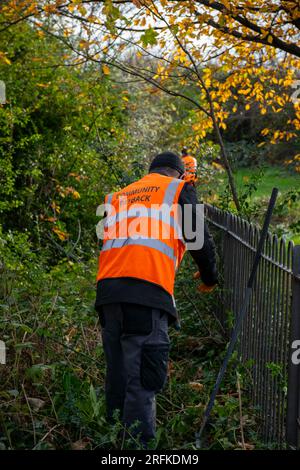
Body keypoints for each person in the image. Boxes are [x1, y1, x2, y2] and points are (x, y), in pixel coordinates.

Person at [95, 151, 218, 447]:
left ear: (150, 171)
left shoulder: (119, 195)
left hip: (108, 293)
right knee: (142, 379)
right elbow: (197, 236)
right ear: (179, 173)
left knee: (119, 374)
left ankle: (113, 441)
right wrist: (209, 276)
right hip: (147, 293)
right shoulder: (178, 189)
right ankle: (139, 448)